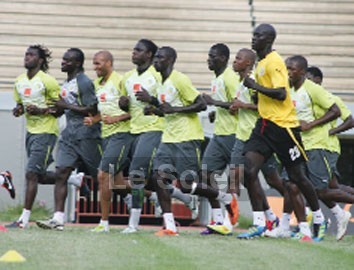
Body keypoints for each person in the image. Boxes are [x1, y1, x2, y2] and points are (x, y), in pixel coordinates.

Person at [240, 24, 326, 242]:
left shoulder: (275, 62)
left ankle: (318, 217)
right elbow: (264, 96)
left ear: (269, 40)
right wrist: (254, 94)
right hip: (264, 125)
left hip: (283, 127)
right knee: (248, 171)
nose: (254, 38)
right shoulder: (261, 63)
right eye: (254, 34)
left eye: (258, 35)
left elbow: (280, 93)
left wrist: (255, 86)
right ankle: (260, 223)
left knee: (297, 177)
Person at [151, 46, 238, 236]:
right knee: (160, 178)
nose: (156, 60)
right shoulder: (160, 81)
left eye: (160, 57)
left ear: (171, 60)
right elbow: (169, 108)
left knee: (186, 185)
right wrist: (155, 107)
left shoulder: (180, 79)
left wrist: (173, 110)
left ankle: (225, 198)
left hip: (187, 138)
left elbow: (200, 104)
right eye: (155, 57)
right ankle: (170, 226)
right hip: (168, 138)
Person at [226, 48, 301, 239]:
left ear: (249, 63)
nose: (234, 61)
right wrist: (233, 107)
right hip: (242, 135)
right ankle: (236, 220)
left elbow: (263, 105)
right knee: (240, 175)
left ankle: (298, 208)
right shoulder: (237, 81)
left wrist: (244, 105)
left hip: (262, 134)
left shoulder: (255, 79)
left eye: (238, 59)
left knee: (273, 180)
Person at [285, 58, 353, 241]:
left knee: (319, 190)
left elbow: (348, 119)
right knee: (299, 185)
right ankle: (315, 223)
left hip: (323, 146)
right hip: (304, 145)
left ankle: (323, 219)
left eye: (311, 79)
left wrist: (331, 131)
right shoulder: (297, 93)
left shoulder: (323, 95)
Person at [36, 48, 102, 231]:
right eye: (63, 60)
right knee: (61, 173)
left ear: (78, 63)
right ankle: (58, 219)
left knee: (102, 178)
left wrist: (65, 105)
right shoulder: (66, 83)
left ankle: (136, 197)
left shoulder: (84, 82)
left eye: (67, 60)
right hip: (69, 136)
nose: (63, 63)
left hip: (87, 135)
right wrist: (49, 110)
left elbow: (93, 109)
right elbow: (63, 109)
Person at [6, 45, 60, 229]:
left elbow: (59, 110)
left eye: (31, 55)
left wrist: (41, 110)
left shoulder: (48, 81)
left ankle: (23, 219)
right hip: (31, 132)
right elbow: (20, 105)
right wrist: (18, 110)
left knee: (31, 173)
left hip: (46, 132)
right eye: (26, 54)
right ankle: (72, 178)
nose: (27, 57)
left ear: (41, 60)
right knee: (40, 176)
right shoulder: (19, 81)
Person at [88, 50, 135, 233]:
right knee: (116, 183)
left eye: (98, 63)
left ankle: (104, 223)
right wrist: (94, 120)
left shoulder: (121, 81)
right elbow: (104, 111)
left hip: (122, 135)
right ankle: (155, 196)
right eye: (94, 63)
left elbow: (135, 110)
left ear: (109, 63)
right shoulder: (97, 84)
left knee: (102, 175)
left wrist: (116, 120)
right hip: (106, 136)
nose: (95, 67)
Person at [199, 43, 239, 235]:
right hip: (219, 135)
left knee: (235, 181)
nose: (208, 59)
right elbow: (225, 106)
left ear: (223, 58)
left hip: (234, 135)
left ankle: (230, 222)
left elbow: (238, 105)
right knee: (206, 175)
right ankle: (216, 220)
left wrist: (214, 103)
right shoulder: (216, 78)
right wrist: (215, 111)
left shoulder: (231, 77)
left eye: (212, 56)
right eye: (208, 55)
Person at [306, 66, 354, 196]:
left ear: (318, 80)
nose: (305, 82)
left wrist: (331, 132)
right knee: (331, 185)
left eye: (308, 79)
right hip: (310, 144)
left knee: (323, 187)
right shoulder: (305, 99)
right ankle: (337, 215)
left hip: (326, 147)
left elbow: (350, 121)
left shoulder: (331, 98)